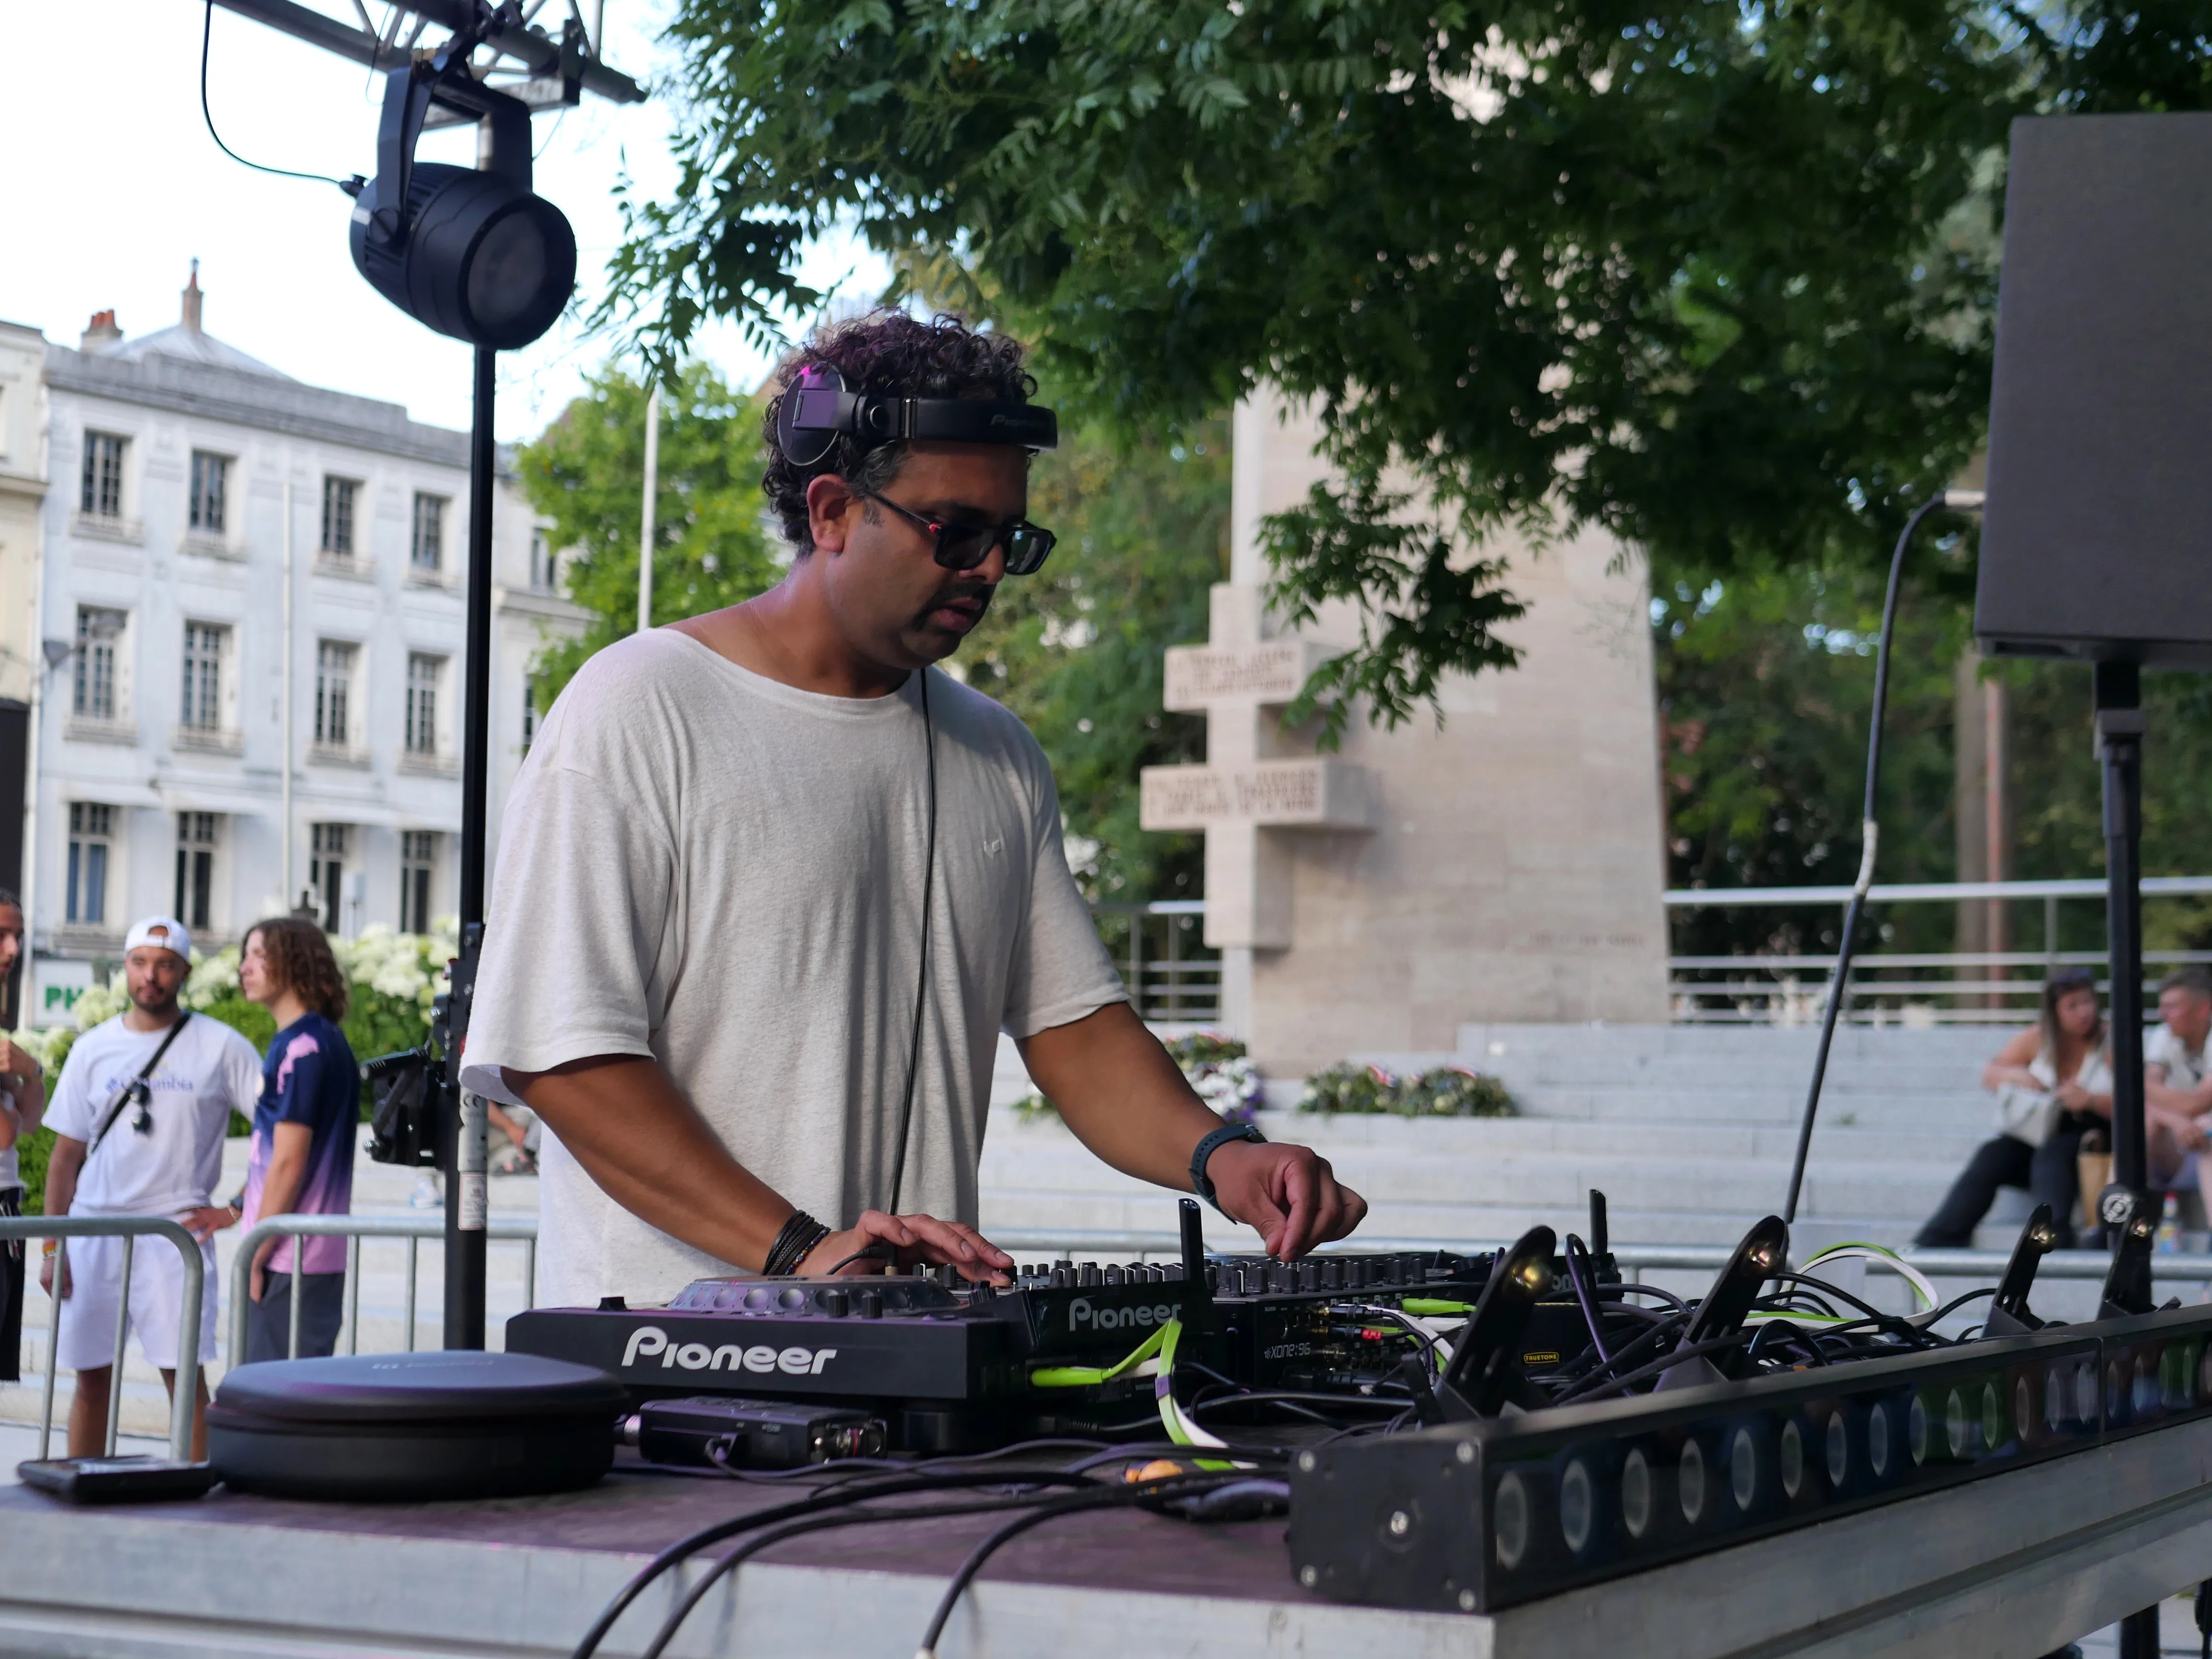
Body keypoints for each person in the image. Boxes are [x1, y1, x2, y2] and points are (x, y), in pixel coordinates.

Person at [461, 312, 1367, 1308]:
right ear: (833, 510)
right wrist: (802, 1250)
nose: (985, 570)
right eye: (956, 531)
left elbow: (1077, 1032)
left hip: (915, 1370)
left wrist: (1224, 1160)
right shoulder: (638, 708)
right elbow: (566, 1055)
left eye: (1009, 539)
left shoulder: (999, 751)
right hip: (683, 1384)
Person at [38, 917, 261, 1455]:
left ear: (184, 970)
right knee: (91, 1381)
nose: (151, 977)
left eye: (164, 965)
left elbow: (278, 1134)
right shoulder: (93, 1048)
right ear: (125, 968)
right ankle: (82, 1495)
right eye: (140, 963)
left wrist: (233, 1209)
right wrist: (51, 1246)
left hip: (174, 1238)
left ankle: (194, 1496)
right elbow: (64, 1158)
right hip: (95, 1230)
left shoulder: (221, 1046)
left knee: (185, 1381)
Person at [220, 917, 359, 1363]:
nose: (245, 968)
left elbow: (288, 1161)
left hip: (289, 1259)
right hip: (305, 1256)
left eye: (259, 955)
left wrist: (256, 1253)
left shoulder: (303, 1048)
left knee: (276, 1403)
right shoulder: (317, 1042)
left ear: (295, 962)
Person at [1915, 968, 2111, 1250]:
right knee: (1993, 1154)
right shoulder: (2038, 1037)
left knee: (2052, 1156)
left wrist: (2090, 1100)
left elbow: (2139, 1102)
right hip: (2045, 1131)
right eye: (2073, 1005)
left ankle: (2054, 1241)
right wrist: (2020, 1077)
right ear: (2054, 1011)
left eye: (2088, 1002)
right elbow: (1991, 1074)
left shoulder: (2110, 1040)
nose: (2084, 1012)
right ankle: (1938, 1239)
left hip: (2095, 1136)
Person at [0, 890, 48, 1383]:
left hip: (6, 1210)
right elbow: (7, 1134)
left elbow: (32, 1120)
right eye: (1, 936)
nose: (13, 950)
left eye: (18, 936)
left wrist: (30, 1071)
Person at [2143, 966, 2212, 1223]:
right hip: (2181, 1142)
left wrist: (2152, 1093)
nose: (2164, 1015)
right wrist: (2177, 1120)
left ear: (2203, 1009)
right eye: (2163, 1006)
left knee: (2207, 1127)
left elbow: (2200, 1103)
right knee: (2142, 1122)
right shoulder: (2164, 1036)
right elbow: (2146, 1098)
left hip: (2204, 1141)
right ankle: (2116, 1224)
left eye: (2173, 1007)